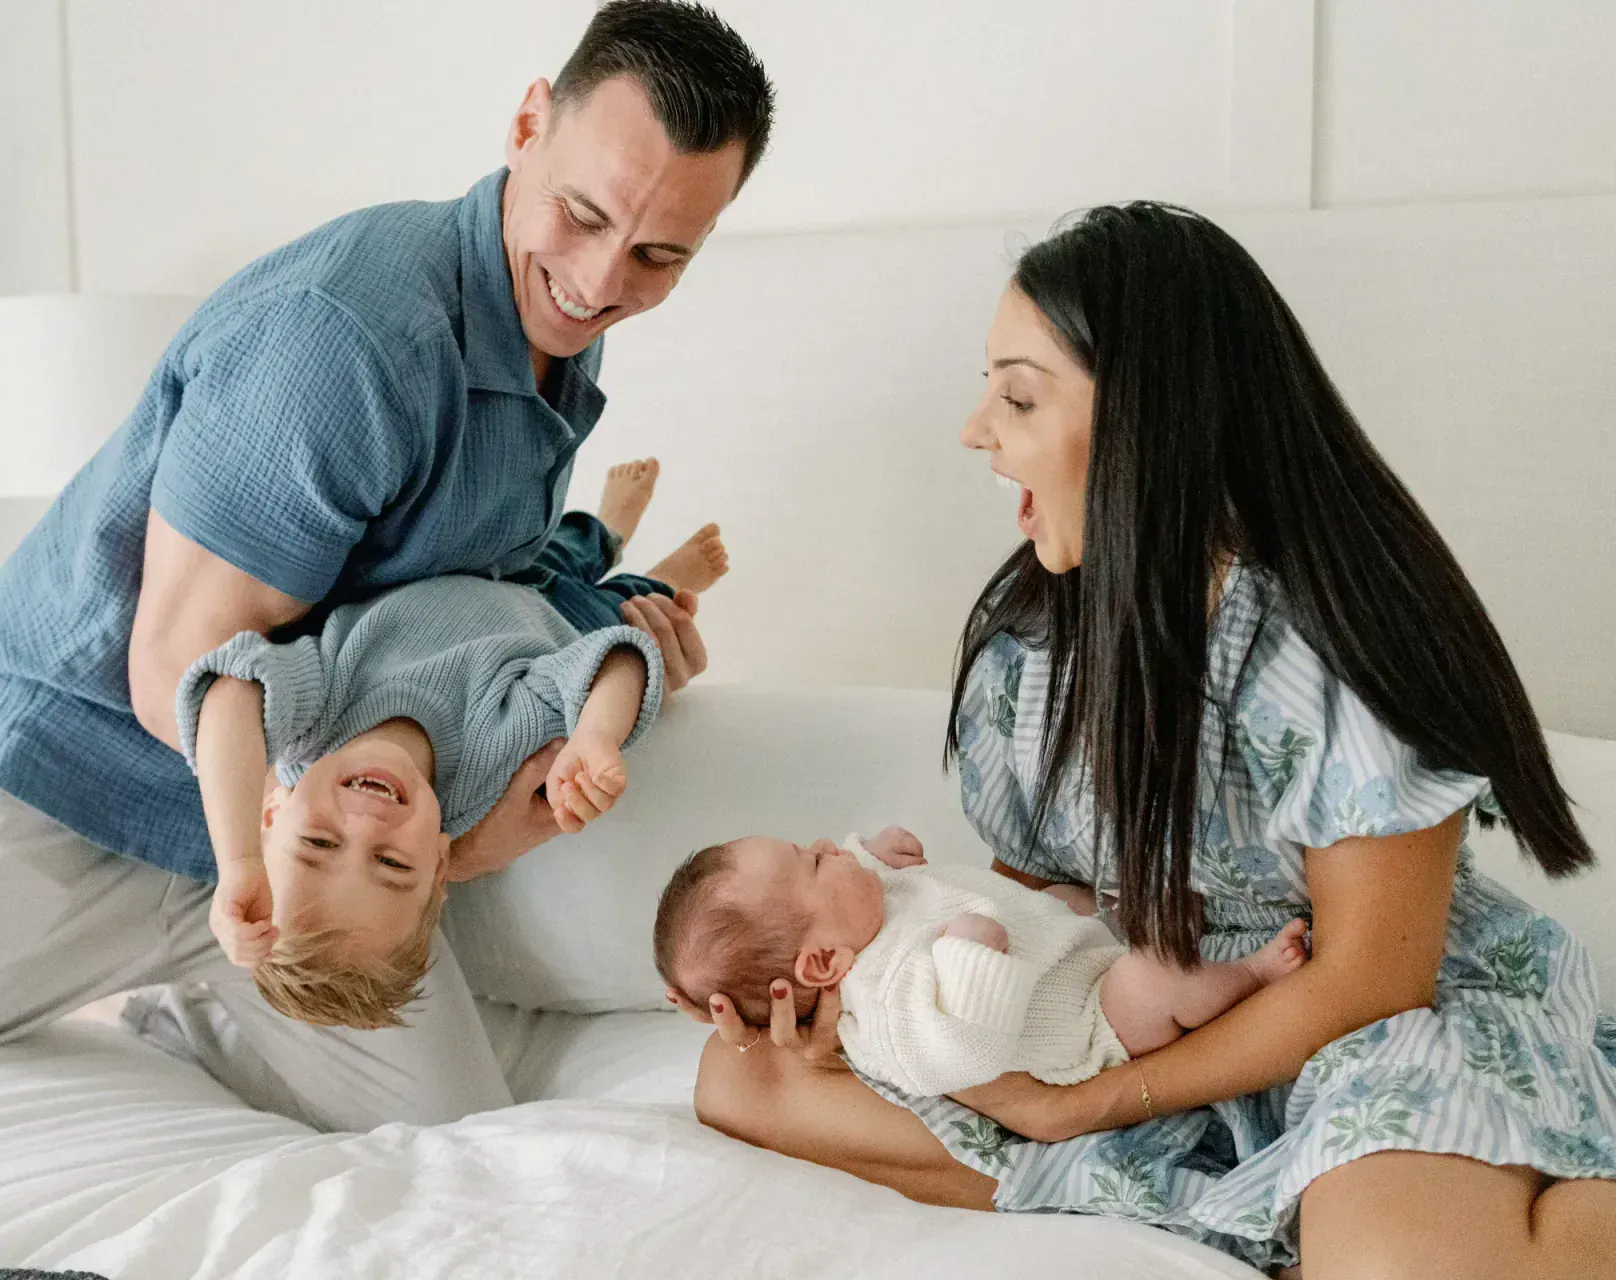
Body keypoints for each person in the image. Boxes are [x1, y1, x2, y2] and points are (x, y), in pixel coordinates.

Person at [0, 1, 773, 1137]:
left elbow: (465, 602)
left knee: (452, 1142)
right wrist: (388, 845)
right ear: (527, 124)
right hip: (57, 789)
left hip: (306, 859)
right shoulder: (346, 340)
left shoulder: (552, 326)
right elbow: (177, 670)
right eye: (583, 214)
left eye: (658, 254)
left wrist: (620, 646)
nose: (599, 280)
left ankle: (181, 1019)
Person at [675, 204, 1616, 1277]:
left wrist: (1081, 1107)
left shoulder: (1320, 646)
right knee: (737, 1074)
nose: (976, 427)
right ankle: (1266, 1203)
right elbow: (1027, 908)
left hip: (1361, 1027)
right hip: (1137, 1023)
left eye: (1019, 394)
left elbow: (1370, 978)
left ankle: (1428, 1202)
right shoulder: (1028, 650)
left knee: (1401, 1265)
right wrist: (893, 1017)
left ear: (1143, 422)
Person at [185, 459, 721, 1025]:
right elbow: (608, 662)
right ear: (440, 865)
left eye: (319, 843)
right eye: (391, 863)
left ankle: (611, 526)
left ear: (274, 807)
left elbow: (231, 690)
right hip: (553, 622)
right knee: (634, 613)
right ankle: (666, 575)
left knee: (570, 544)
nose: (365, 824)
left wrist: (239, 858)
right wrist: (595, 733)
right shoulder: (489, 762)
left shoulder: (312, 720)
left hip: (488, 564)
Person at [654, 826, 1308, 1095]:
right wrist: (969, 957)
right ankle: (1253, 974)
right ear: (824, 961)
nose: (830, 843)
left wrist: (879, 847)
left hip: (1062, 942)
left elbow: (860, 867)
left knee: (1066, 896)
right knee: (1149, 979)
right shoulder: (884, 1009)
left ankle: (1126, 920)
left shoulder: (859, 905)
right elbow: (957, 1058)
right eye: (814, 860)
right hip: (1092, 1023)